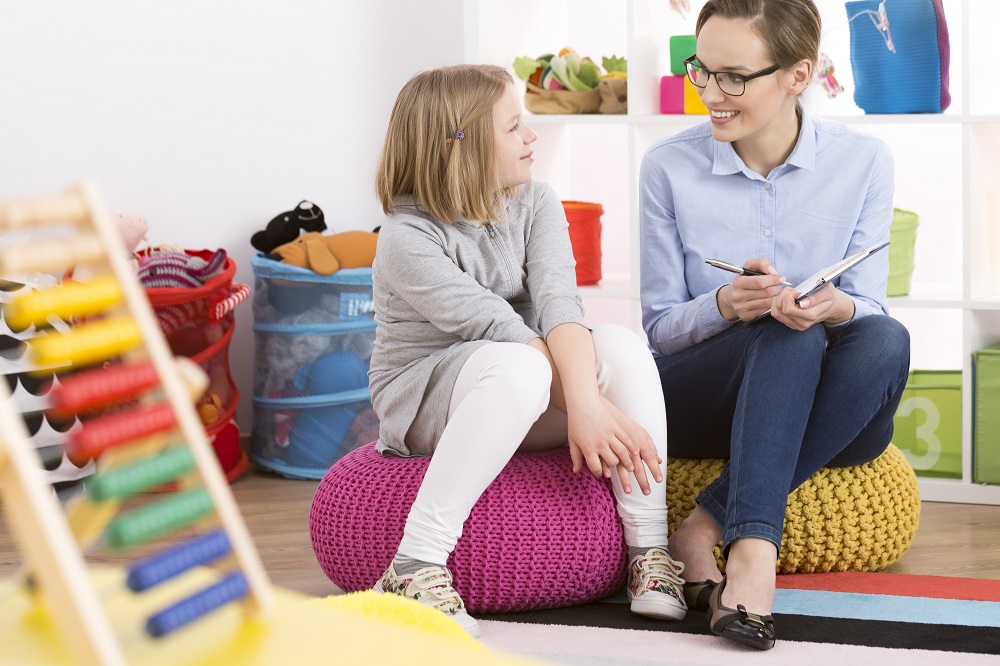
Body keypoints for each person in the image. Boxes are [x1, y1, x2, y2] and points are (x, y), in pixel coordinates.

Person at [369, 64, 687, 637]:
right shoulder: (405, 238)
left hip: (524, 387)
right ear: (456, 145)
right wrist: (593, 408)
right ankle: (414, 563)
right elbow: (500, 329)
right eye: (514, 126)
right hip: (426, 398)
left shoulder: (536, 201)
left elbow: (563, 307)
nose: (531, 137)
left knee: (619, 343)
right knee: (519, 364)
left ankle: (649, 550)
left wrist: (590, 402)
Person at [639, 0, 910, 651]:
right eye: (699, 70)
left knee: (883, 338)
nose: (709, 93)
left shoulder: (863, 162)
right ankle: (755, 554)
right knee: (782, 331)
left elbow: (869, 307)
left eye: (733, 76)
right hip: (699, 397)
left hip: (822, 406)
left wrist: (832, 306)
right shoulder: (668, 166)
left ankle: (705, 523)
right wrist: (728, 305)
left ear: (797, 76)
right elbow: (656, 331)